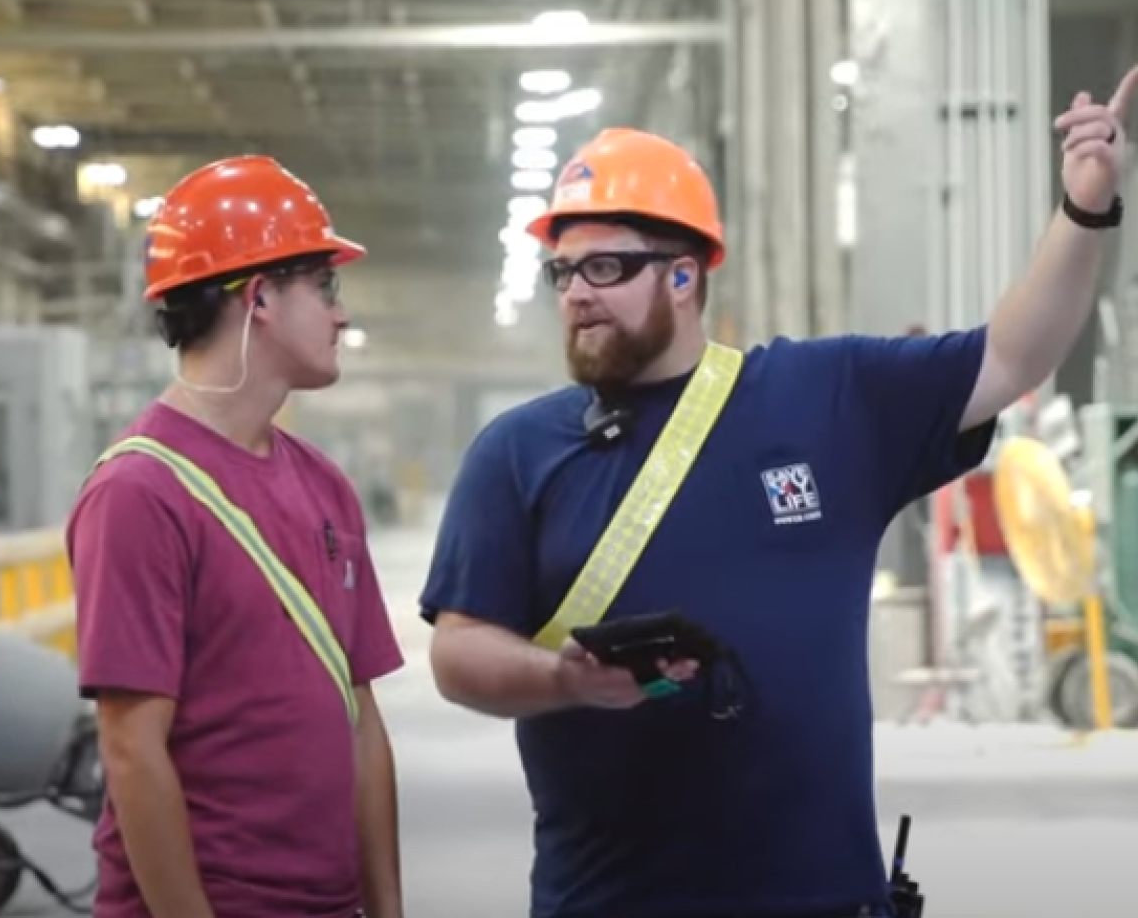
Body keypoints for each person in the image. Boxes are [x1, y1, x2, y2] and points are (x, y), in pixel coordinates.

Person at [420, 66, 1138, 918]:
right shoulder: (517, 453)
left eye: (605, 267)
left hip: (820, 898)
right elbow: (458, 652)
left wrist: (1086, 207)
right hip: (608, 901)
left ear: (683, 276)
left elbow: (1016, 356)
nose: (577, 292)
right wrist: (564, 680)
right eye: (563, 272)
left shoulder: (827, 398)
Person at [67, 156, 405, 918]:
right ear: (259, 297)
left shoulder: (325, 485)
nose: (341, 315)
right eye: (324, 287)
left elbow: (360, 717)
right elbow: (131, 748)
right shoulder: (139, 493)